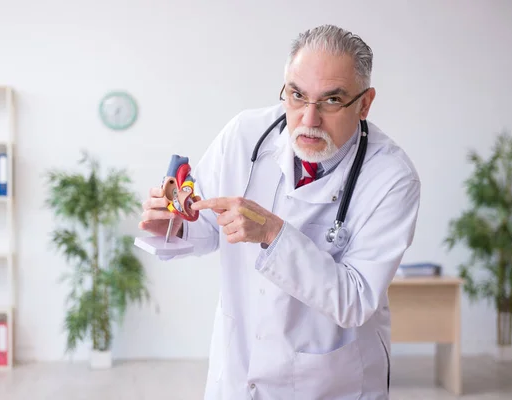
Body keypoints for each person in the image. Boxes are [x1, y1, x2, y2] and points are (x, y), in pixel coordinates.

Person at [140, 24, 421, 400]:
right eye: (296, 95)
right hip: (240, 368)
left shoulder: (391, 177)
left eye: (331, 100)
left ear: (365, 103)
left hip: (330, 382)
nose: (308, 118)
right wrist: (171, 223)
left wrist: (274, 233)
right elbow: (204, 225)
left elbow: (355, 301)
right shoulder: (244, 134)